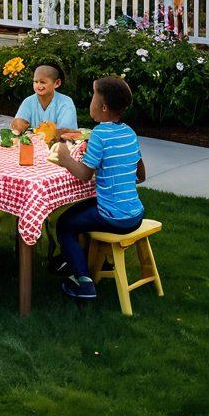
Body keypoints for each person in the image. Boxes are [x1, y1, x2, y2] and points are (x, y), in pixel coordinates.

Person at [48, 77, 146, 302]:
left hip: (113, 217)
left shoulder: (100, 134)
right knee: (80, 210)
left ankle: (84, 283)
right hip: (135, 213)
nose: (90, 101)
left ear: (102, 107)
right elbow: (141, 175)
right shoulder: (129, 132)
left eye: (93, 96)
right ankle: (74, 260)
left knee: (65, 224)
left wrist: (64, 158)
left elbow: (83, 175)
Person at [11, 62, 79, 137]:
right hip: (32, 145)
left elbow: (66, 132)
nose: (39, 86)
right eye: (36, 82)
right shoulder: (28, 101)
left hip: (58, 146)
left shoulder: (66, 102)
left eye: (43, 82)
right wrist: (19, 126)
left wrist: (36, 133)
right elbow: (17, 125)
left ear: (57, 83)